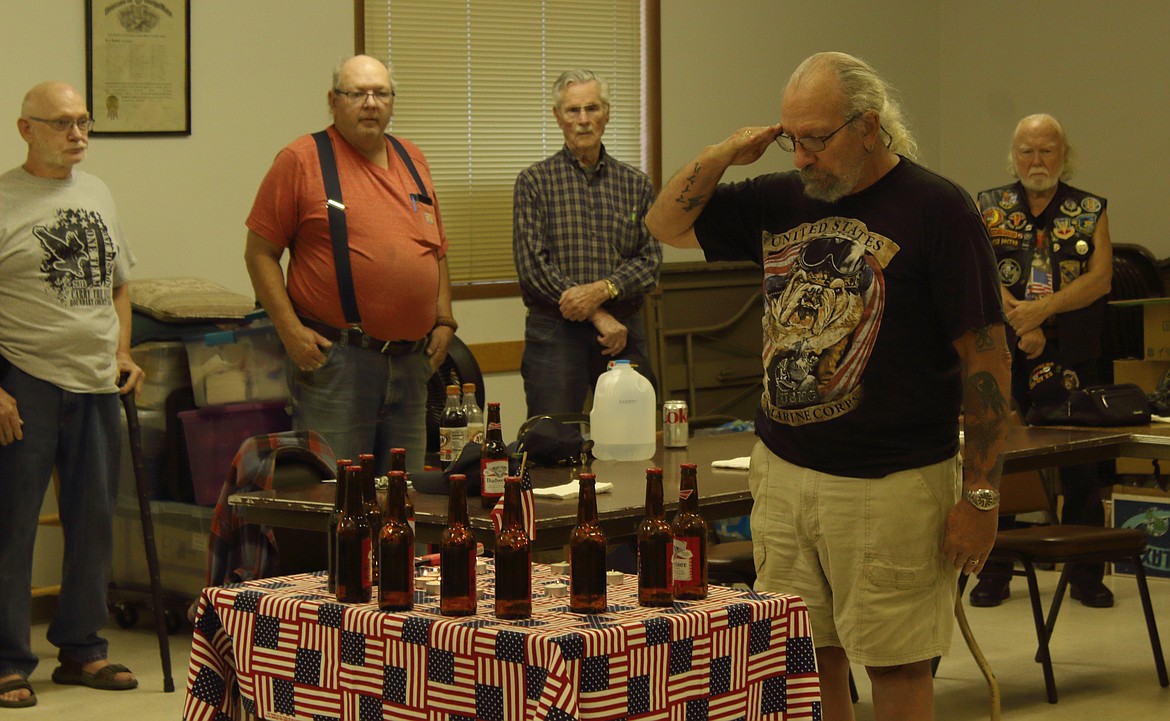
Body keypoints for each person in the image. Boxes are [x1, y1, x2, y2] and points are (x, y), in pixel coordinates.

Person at [646, 52, 1011, 721]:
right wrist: (727, 152)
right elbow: (664, 223)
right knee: (805, 660)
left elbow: (986, 359)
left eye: (819, 137)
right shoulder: (778, 197)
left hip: (893, 480)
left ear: (868, 126)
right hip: (785, 471)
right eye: (793, 138)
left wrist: (982, 494)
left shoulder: (937, 208)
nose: (804, 155)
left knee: (895, 663)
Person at [0, 81, 144, 708]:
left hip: (94, 381)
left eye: (84, 121)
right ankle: (6, 660)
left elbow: (119, 288)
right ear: (25, 128)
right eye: (62, 123)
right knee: (12, 528)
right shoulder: (4, 198)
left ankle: (82, 649)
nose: (78, 134)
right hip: (24, 380)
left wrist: (123, 353)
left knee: (93, 523)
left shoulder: (99, 192)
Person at [245, 55, 456, 476]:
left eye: (381, 93)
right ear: (333, 101)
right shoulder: (301, 160)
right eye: (357, 93)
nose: (370, 103)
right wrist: (290, 332)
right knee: (339, 501)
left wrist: (445, 320)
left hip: (412, 365)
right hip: (338, 366)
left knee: (403, 501)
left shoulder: (413, 159)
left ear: (393, 102)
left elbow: (436, 249)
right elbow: (259, 255)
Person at [971, 114, 1114, 608]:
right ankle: (993, 572)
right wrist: (1020, 325)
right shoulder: (988, 207)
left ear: (1064, 155)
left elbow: (1101, 279)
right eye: (1027, 151)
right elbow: (978, 270)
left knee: (1081, 468)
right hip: (1006, 355)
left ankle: (1087, 574)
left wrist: (1042, 311)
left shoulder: (1089, 209)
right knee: (997, 463)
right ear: (1014, 155)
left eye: (1047, 151)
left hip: (1073, 353)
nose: (1037, 161)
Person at [513, 69, 662, 418]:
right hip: (555, 331)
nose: (583, 120)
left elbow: (650, 261)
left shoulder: (636, 184)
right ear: (557, 117)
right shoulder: (534, 182)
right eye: (573, 111)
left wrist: (603, 291)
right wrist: (598, 315)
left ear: (606, 113)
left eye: (592, 109)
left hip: (622, 331)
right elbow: (533, 268)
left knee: (634, 435)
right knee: (551, 439)